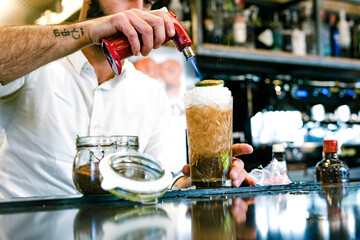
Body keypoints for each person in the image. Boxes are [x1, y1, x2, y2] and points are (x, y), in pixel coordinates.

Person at [0, 0, 254, 198]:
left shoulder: (151, 94)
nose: (138, 10)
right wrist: (92, 30)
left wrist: (197, 180)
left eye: (147, 3)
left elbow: (165, 179)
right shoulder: (34, 65)